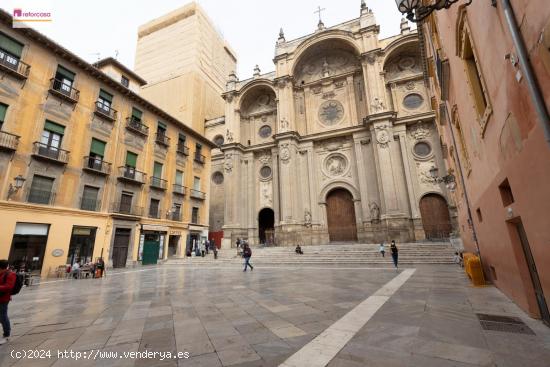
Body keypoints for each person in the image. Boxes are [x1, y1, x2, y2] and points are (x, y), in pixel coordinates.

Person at [0, 260, 16, 345]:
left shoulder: (10, 274)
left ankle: (7, 334)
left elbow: (9, 287)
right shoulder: (2, 273)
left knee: (3, 316)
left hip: (3, 299)